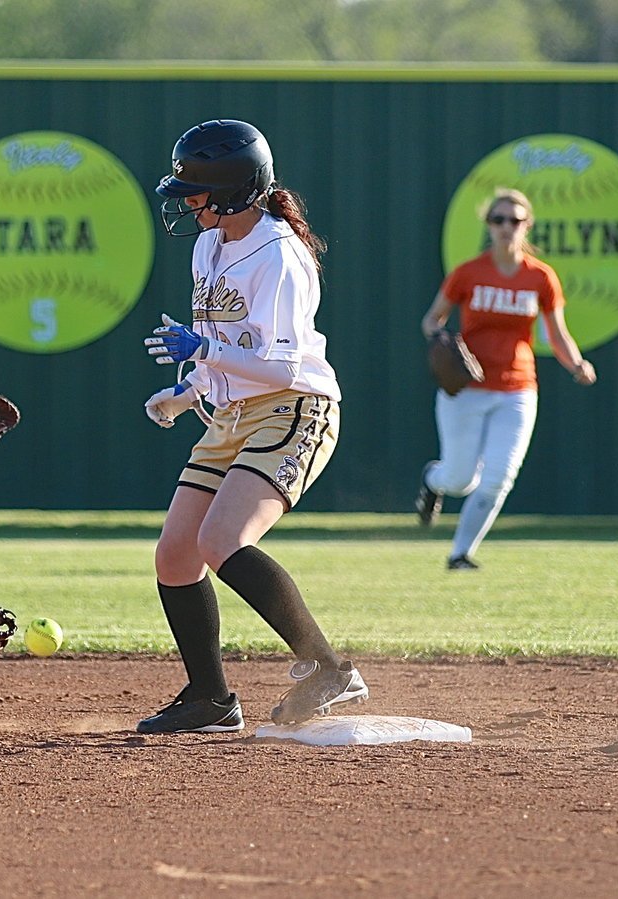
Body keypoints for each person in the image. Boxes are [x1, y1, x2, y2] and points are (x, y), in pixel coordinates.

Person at [137, 119, 367, 734]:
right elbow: (226, 347)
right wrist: (188, 394)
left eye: (197, 190)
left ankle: (330, 669)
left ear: (237, 190)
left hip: (295, 406)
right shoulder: (208, 244)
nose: (186, 202)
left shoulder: (281, 255)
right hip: (233, 412)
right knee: (175, 556)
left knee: (221, 543)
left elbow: (281, 363)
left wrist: (202, 354)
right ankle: (210, 700)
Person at [415, 188, 597, 570]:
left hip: (517, 389)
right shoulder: (469, 272)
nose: (505, 227)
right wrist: (442, 340)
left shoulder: (541, 277)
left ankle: (460, 554)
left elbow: (557, 333)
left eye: (514, 220)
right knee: (460, 479)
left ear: (526, 225)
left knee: (499, 476)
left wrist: (575, 363)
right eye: (498, 220)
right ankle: (434, 481)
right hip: (467, 387)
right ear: (488, 226)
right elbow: (433, 319)